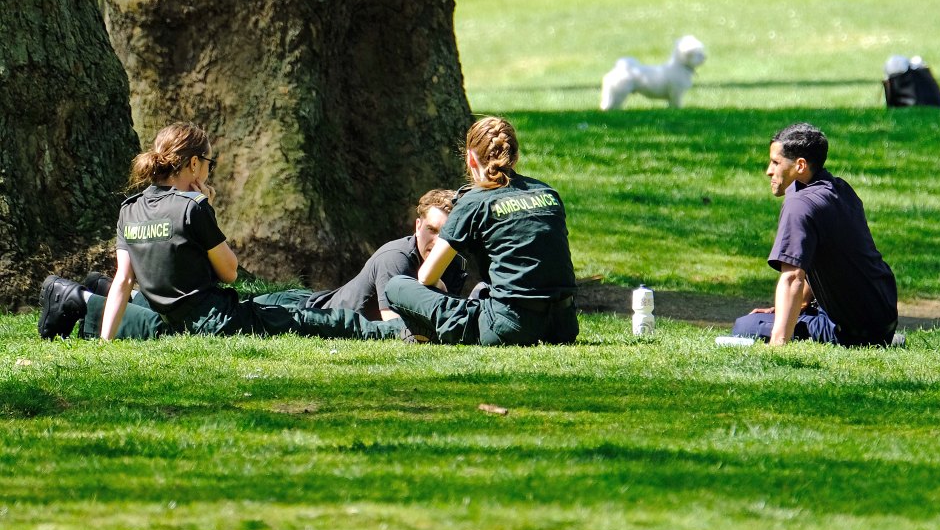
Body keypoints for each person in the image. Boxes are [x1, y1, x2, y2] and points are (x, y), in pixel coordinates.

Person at [38, 121, 401, 341]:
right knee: (303, 319)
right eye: (209, 163)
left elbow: (122, 281)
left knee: (281, 302)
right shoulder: (192, 208)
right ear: (194, 163)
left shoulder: (129, 209)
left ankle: (85, 302)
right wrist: (206, 210)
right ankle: (393, 331)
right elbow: (229, 272)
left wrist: (105, 343)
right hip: (214, 320)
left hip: (171, 312)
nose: (210, 171)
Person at [383, 116, 579, 345]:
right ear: (514, 157)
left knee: (397, 286)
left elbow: (426, 276)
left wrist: (441, 290)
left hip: (511, 326)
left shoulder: (475, 200)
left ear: (469, 158)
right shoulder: (547, 193)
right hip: (563, 325)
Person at [730, 122, 898, 346]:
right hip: (883, 317)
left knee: (746, 326)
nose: (769, 171)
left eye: (776, 162)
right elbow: (823, 258)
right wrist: (794, 307)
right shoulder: (840, 189)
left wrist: (777, 343)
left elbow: (792, 277)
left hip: (852, 331)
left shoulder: (800, 204)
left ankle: (865, 341)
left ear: (800, 165)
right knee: (776, 315)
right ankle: (881, 339)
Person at [253, 189, 468, 321]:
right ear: (418, 226)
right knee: (243, 311)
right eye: (432, 230)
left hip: (318, 302)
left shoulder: (455, 265)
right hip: (310, 311)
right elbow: (394, 325)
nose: (438, 241)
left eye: (447, 233)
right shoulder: (396, 258)